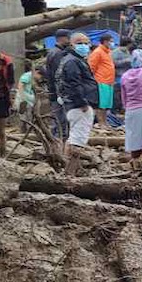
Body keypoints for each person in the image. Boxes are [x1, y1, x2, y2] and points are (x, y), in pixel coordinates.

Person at [55, 31, 99, 176]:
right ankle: (69, 172)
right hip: (78, 105)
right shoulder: (73, 61)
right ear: (72, 44)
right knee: (76, 142)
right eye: (80, 43)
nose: (84, 46)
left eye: (86, 43)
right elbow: (73, 84)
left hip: (74, 104)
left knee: (74, 137)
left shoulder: (73, 59)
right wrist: (83, 103)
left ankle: (71, 169)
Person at [43, 29, 71, 139]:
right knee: (61, 123)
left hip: (55, 92)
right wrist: (61, 93)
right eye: (68, 38)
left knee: (59, 121)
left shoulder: (54, 52)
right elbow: (58, 75)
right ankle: (58, 147)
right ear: (62, 38)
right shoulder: (57, 54)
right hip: (57, 93)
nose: (69, 40)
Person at [87, 34, 116, 129]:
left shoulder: (108, 52)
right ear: (105, 41)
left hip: (109, 81)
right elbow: (91, 67)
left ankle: (105, 122)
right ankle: (101, 123)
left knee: (106, 105)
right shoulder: (98, 52)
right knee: (101, 104)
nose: (112, 43)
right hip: (101, 81)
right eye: (111, 41)